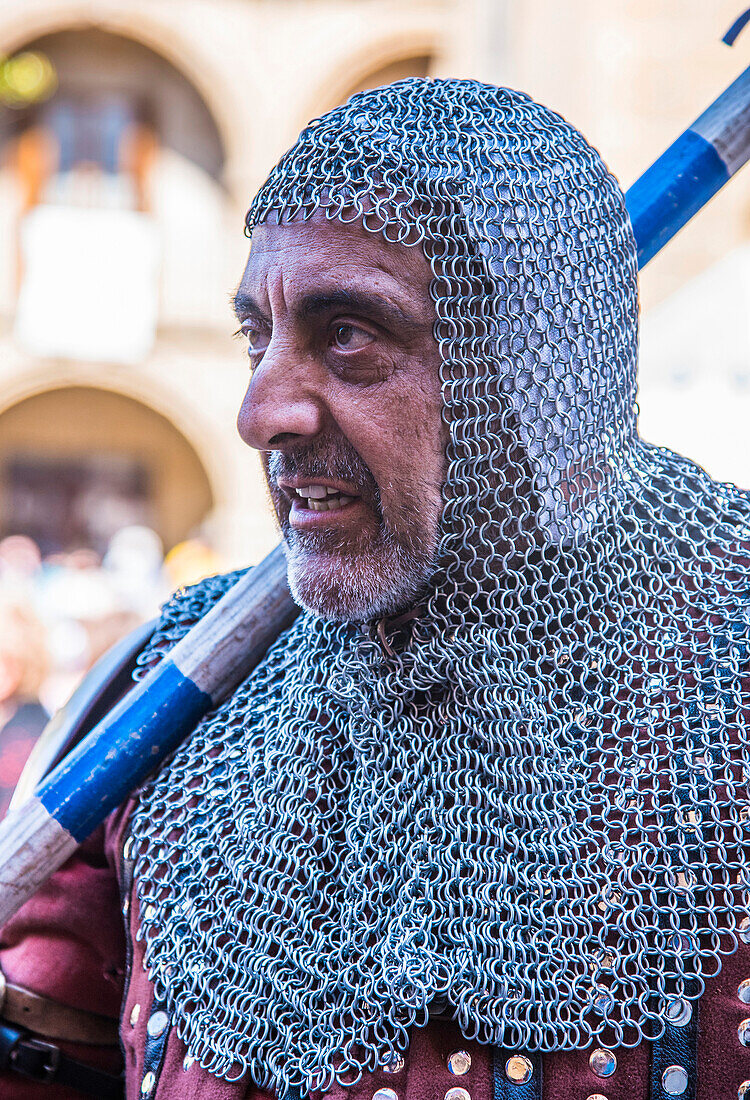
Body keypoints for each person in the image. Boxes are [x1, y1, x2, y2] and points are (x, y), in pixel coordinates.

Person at [0, 78, 748, 1100]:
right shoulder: (161, 712)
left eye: (348, 333)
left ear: (537, 368)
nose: (262, 411)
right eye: (255, 335)